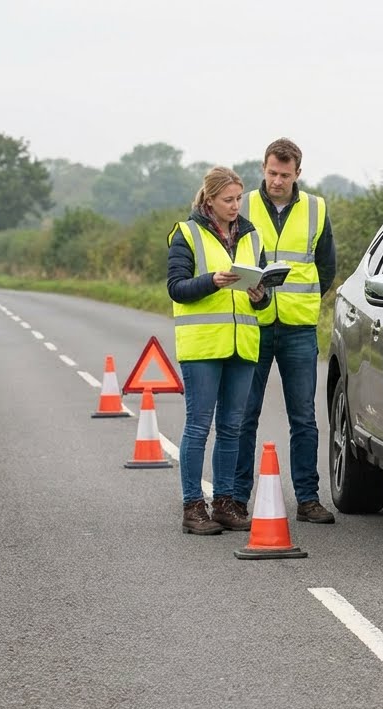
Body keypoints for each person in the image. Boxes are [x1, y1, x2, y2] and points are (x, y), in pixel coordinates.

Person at [231, 139, 338, 524]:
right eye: (272, 173)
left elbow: (326, 266)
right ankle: (237, 500)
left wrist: (306, 300)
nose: (277, 181)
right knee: (245, 416)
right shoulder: (241, 205)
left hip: (297, 327)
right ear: (263, 167)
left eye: (285, 175)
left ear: (298, 174)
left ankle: (308, 500)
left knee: (304, 419)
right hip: (253, 324)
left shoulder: (315, 208)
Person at [167, 166, 271, 535]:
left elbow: (261, 294)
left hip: (242, 344)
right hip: (203, 346)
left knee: (232, 427)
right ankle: (193, 507)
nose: (235, 205)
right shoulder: (186, 233)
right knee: (199, 427)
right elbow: (176, 287)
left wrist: (261, 294)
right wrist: (212, 281)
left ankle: (225, 503)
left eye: (238, 198)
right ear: (209, 199)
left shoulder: (251, 235)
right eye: (228, 199)